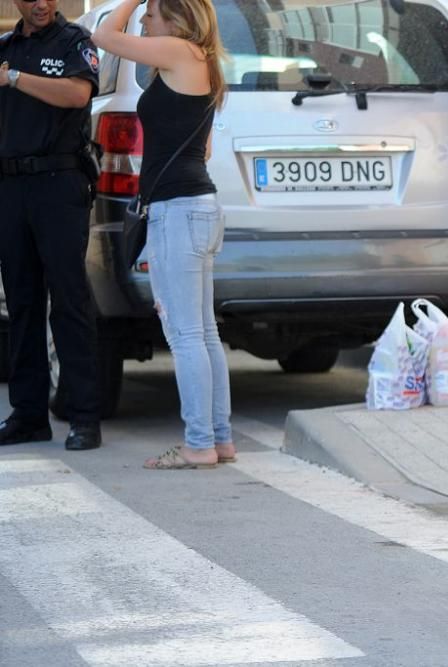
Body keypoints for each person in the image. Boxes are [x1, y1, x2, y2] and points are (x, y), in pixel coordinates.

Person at [94, 0, 234, 469]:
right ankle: (219, 438)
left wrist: (127, 0)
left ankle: (198, 445)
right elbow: (205, 146)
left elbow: (104, 39)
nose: (144, 22)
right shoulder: (204, 62)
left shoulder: (177, 50)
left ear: (174, 19)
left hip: (178, 211)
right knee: (205, 332)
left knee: (185, 333)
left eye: (150, 13)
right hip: (199, 206)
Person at [0, 0, 103, 451]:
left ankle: (84, 416)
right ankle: (28, 415)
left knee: (69, 299)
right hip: (10, 186)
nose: (40, 4)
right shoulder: (5, 47)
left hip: (59, 184)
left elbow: (78, 94)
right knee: (21, 301)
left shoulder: (73, 42)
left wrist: (15, 78)